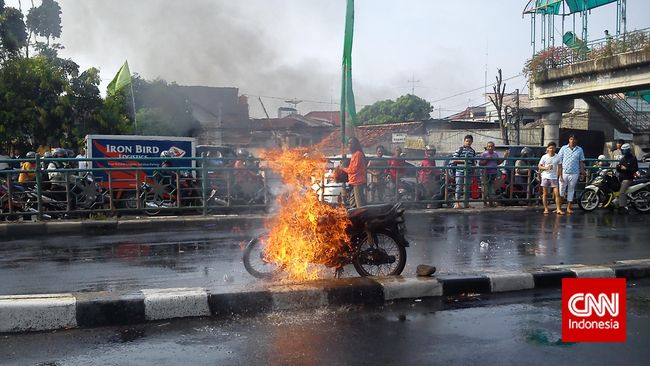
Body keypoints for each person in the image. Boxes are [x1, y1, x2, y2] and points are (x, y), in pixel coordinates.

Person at [557, 135, 586, 214]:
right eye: (571, 139)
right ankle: (559, 208)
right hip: (564, 172)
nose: (572, 141)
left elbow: (581, 161)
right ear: (569, 140)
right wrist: (559, 173)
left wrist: (582, 172)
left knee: (571, 190)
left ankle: (568, 207)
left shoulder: (579, 149)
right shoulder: (563, 148)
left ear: (576, 140)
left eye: (574, 139)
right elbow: (559, 161)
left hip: (574, 173)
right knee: (561, 190)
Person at [340, 137, 367, 208]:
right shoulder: (354, 155)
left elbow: (353, 170)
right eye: (348, 143)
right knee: (352, 202)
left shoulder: (358, 154)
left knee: (359, 204)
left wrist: (343, 168)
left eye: (351, 143)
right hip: (353, 182)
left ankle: (362, 217)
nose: (349, 145)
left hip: (358, 182)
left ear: (355, 144)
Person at [451, 135, 476, 208]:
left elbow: (473, 161)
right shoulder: (460, 149)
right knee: (459, 187)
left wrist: (473, 170)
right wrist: (464, 160)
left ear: (472, 142)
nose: (468, 143)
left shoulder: (472, 151)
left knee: (467, 188)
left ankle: (466, 203)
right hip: (460, 171)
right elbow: (454, 159)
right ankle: (457, 203)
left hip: (469, 172)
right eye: (467, 141)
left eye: (469, 141)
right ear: (464, 141)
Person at [478, 141, 506, 207]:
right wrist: (486, 160)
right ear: (487, 147)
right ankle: (485, 203)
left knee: (492, 188)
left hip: (493, 173)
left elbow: (498, 162)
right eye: (489, 146)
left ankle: (491, 202)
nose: (490, 148)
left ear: (494, 147)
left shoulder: (495, 154)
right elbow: (480, 163)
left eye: (492, 146)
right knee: (485, 188)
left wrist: (505, 157)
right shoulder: (483, 154)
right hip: (485, 173)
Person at [538, 143, 563, 215]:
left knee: (557, 194)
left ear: (555, 149)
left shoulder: (558, 157)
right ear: (548, 149)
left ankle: (558, 209)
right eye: (550, 148)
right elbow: (539, 166)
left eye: (553, 148)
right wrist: (546, 168)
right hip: (545, 176)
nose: (551, 149)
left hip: (554, 177)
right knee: (545, 194)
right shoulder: (544, 157)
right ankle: (546, 209)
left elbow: (560, 167)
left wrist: (560, 176)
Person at [614, 143, 638, 213]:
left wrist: (626, 169)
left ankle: (624, 207)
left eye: (625, 150)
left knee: (622, 192)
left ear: (628, 150)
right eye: (623, 150)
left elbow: (635, 169)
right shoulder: (622, 159)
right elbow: (619, 170)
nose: (623, 151)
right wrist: (618, 168)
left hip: (628, 179)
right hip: (620, 178)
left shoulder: (633, 158)